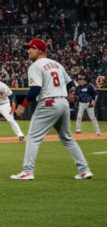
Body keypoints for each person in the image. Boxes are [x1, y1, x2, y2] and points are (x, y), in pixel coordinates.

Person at [10, 39, 91, 180]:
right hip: (63, 102)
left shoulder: (35, 66)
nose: (28, 50)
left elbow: (35, 89)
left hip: (48, 103)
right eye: (28, 48)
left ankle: (27, 171)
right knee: (67, 138)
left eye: (32, 48)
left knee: (33, 138)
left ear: (41, 50)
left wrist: (23, 105)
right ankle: (84, 170)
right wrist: (66, 94)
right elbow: (71, 83)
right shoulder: (57, 65)